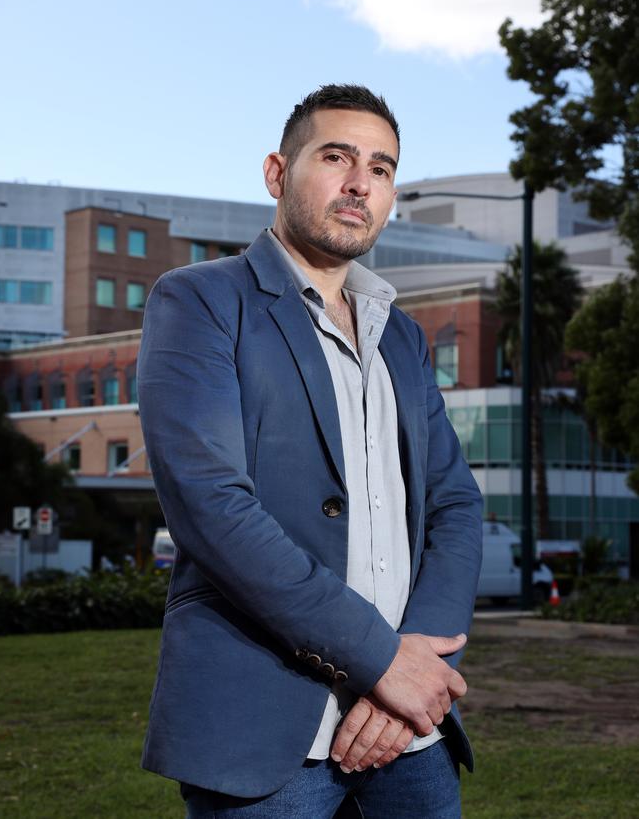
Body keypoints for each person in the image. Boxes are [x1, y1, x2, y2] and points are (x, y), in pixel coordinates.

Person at [137, 84, 483, 818]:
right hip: (267, 734)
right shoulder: (199, 301)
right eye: (337, 156)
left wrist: (419, 664)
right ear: (276, 172)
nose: (362, 183)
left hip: (407, 736)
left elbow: (454, 505)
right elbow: (211, 507)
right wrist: (383, 659)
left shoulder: (403, 336)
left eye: (382, 168)